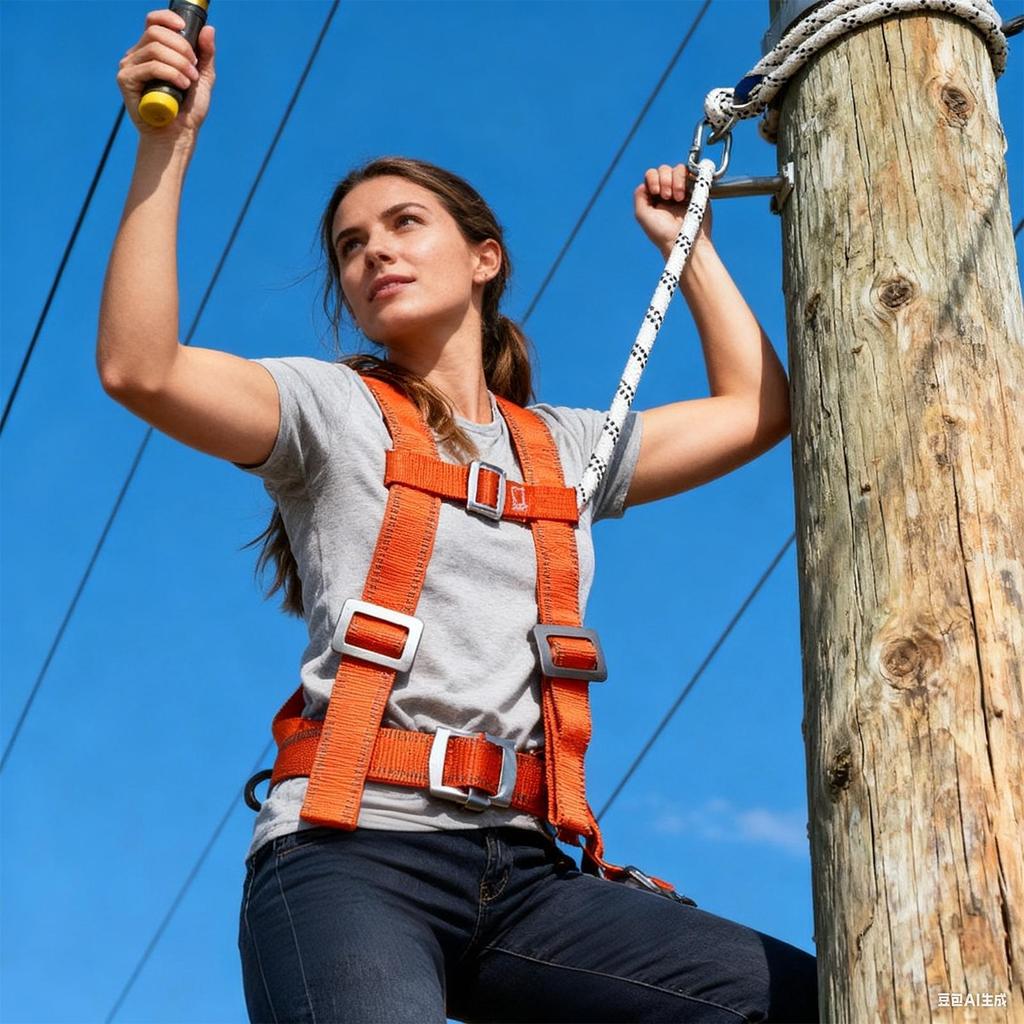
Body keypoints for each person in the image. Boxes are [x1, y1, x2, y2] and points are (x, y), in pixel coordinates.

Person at [103, 9, 818, 1023]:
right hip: (349, 858)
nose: (373, 253)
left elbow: (755, 413)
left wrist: (687, 245)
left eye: (403, 225)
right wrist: (163, 145)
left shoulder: (560, 449)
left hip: (528, 876)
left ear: (484, 258)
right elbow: (141, 369)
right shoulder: (328, 411)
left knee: (802, 1000)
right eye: (351, 246)